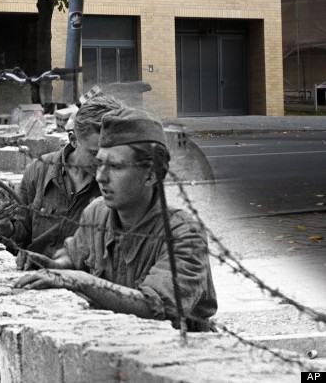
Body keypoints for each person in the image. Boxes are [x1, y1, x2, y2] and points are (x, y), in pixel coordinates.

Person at [13, 107, 218, 332]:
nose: (101, 177)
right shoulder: (97, 213)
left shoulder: (184, 234)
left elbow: (156, 307)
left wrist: (78, 280)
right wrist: (52, 266)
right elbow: (73, 256)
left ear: (151, 175)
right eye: (99, 163)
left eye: (116, 167)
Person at [0, 94, 124, 263]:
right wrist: (5, 226)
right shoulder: (39, 171)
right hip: (35, 275)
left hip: (80, 282)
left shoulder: (118, 183)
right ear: (73, 140)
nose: (103, 162)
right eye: (94, 153)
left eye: (111, 153)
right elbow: (20, 237)